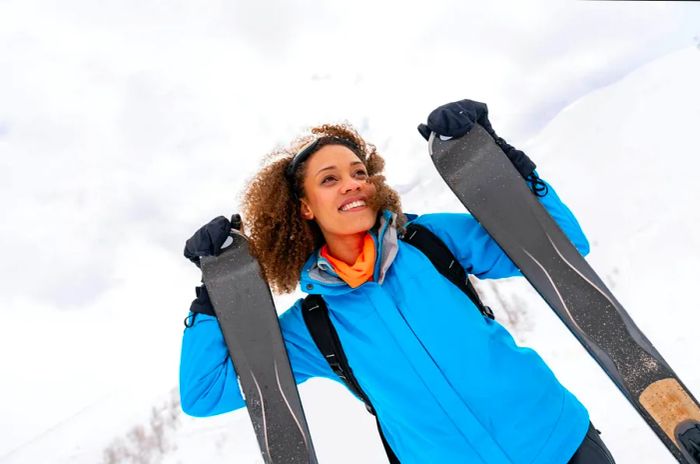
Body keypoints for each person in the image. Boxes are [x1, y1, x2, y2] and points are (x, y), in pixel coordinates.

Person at [179, 99, 617, 464]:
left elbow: (564, 248)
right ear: (305, 208)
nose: (352, 185)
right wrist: (214, 303)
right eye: (329, 180)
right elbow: (205, 394)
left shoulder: (430, 241)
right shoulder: (312, 326)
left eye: (358, 173)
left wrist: (509, 167)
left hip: (559, 440)